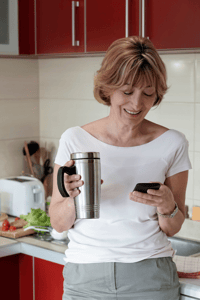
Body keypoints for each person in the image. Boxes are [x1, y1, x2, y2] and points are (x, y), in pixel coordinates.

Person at [49, 36, 192, 300]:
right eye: (127, 92)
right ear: (108, 88)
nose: (137, 104)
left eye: (148, 93)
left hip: (150, 277)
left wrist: (167, 205)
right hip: (85, 278)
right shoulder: (74, 139)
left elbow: (173, 227)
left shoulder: (172, 143)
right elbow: (57, 223)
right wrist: (74, 199)